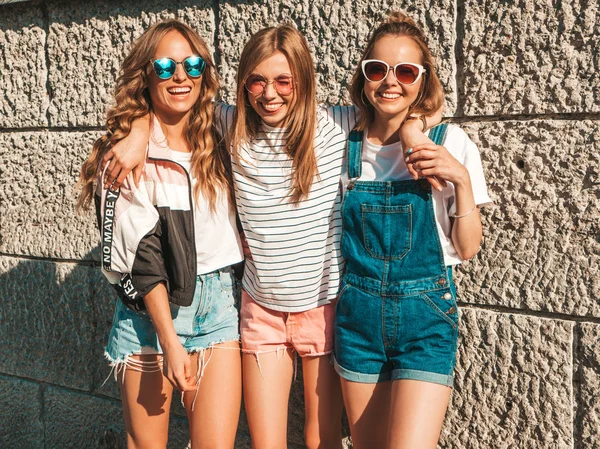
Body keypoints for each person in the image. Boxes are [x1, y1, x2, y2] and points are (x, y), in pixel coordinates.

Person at [99, 24, 439, 449]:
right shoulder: (232, 124)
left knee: (322, 439)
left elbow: (403, 105)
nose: (270, 93)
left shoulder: (337, 124)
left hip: (324, 308)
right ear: (245, 85)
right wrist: (136, 132)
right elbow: (180, 110)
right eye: (257, 81)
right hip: (260, 313)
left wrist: (415, 129)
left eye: (283, 80)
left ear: (303, 79)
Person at [77, 20, 243, 449]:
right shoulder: (123, 156)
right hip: (150, 317)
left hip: (217, 307)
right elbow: (141, 257)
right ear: (145, 75)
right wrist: (169, 340)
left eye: (192, 64)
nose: (181, 76)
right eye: (166, 66)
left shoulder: (220, 132)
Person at [333, 11, 492, 449]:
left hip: (425, 322)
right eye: (377, 69)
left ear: (423, 80)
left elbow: (468, 247)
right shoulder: (341, 133)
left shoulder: (450, 142)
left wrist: (459, 178)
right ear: (363, 76)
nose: (390, 82)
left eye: (405, 71)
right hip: (357, 321)